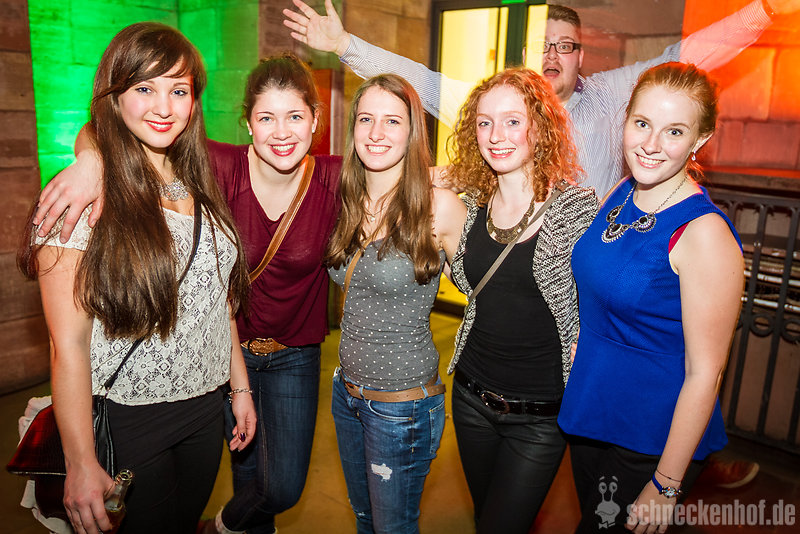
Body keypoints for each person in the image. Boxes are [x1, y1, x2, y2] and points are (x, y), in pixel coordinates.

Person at [32, 54, 344, 534]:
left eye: (295, 117)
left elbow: (397, 161)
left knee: (280, 487)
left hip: (289, 356)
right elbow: (104, 128)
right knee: (236, 481)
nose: (281, 132)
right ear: (248, 123)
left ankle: (222, 527)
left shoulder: (333, 176)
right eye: (266, 117)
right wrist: (91, 162)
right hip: (216, 359)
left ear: (316, 120)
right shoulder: (216, 165)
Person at [18, 22, 256, 534]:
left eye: (179, 90)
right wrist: (81, 461)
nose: (164, 106)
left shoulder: (195, 180)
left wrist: (239, 389)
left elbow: (216, 302)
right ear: (115, 95)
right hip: (130, 416)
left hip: (204, 408)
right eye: (145, 88)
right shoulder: (84, 199)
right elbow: (68, 344)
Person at [283, 0, 798, 197]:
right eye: (544, 45)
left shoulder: (611, 95)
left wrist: (764, 11)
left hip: (587, 275)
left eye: (565, 46)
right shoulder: (502, 106)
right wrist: (345, 46)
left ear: (580, 56)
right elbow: (425, 82)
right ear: (530, 53)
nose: (553, 55)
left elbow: (685, 55)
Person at [558, 62, 744, 533]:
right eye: (642, 123)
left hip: (652, 432)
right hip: (593, 407)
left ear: (700, 139)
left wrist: (666, 484)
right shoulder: (622, 192)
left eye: (674, 131)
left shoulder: (703, 233)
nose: (651, 144)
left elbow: (705, 372)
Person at [440, 67, 597, 533]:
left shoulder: (575, 209)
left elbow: (600, 294)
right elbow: (472, 284)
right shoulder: (471, 204)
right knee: (483, 516)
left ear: (540, 127)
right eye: (484, 122)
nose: (496, 135)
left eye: (512, 121)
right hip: (470, 399)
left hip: (540, 417)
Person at [324, 73, 465, 534]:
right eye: (366, 119)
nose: (376, 132)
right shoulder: (347, 198)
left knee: (393, 528)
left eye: (392, 121)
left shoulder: (438, 207)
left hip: (401, 408)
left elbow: (488, 290)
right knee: (365, 519)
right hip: (347, 394)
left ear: (412, 131)